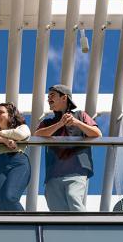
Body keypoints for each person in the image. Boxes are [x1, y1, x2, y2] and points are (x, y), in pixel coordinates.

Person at [35, 84, 102, 212]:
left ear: (64, 97)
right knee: (56, 209)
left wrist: (77, 123)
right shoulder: (48, 122)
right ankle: (64, 232)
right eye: (48, 97)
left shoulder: (80, 115)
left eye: (52, 96)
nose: (48, 99)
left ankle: (84, 231)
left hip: (76, 171)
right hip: (53, 174)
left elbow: (97, 133)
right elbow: (37, 135)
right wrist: (60, 124)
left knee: (74, 198)